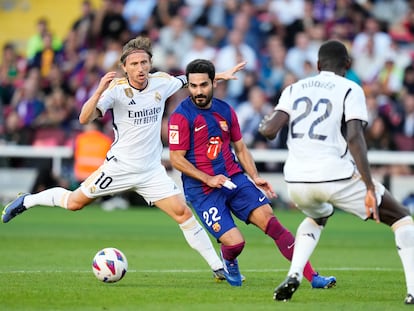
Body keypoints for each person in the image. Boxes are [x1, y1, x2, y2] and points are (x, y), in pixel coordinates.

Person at [1, 36, 246, 283]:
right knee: (75, 203)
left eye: (144, 62)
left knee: (183, 213)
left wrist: (220, 76)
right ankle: (28, 201)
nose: (140, 68)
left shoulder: (162, 82)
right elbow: (85, 119)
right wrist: (99, 90)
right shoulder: (115, 90)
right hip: (120, 167)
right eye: (135, 64)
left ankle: (218, 267)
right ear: (125, 67)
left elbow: (189, 80)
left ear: (150, 63)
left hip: (151, 171)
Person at [259, 40, 414, 304]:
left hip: (296, 181)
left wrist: (264, 125)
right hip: (334, 175)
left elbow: (269, 130)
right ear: (348, 66)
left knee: (318, 216)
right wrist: (367, 186)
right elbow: (355, 137)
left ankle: (295, 273)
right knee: (401, 218)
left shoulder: (293, 88)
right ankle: (413, 290)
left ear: (318, 65)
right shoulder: (350, 88)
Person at [168, 58, 336, 288]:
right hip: (203, 190)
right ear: (188, 85)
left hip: (234, 179)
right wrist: (208, 178)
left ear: (213, 84)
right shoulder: (181, 116)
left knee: (273, 224)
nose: (198, 91)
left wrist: (255, 176)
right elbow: (176, 158)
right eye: (193, 86)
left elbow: (240, 148)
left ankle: (313, 277)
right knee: (236, 244)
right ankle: (228, 260)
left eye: (203, 85)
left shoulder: (225, 110)